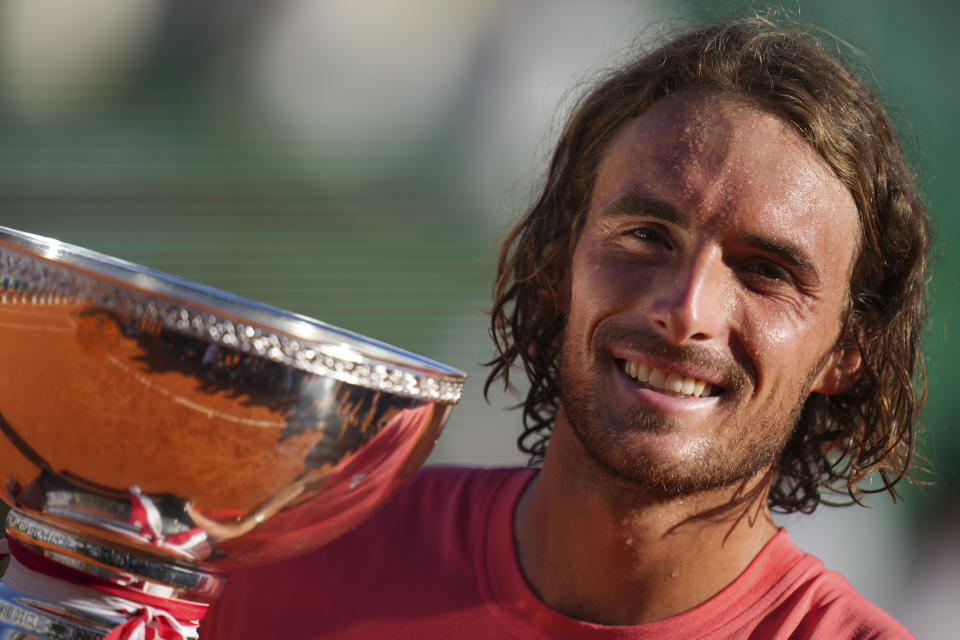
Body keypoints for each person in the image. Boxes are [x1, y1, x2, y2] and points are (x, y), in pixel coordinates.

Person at [200, 16, 927, 639]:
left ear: (846, 350)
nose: (685, 308)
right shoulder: (292, 560)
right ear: (558, 264)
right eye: (646, 235)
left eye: (766, 270)